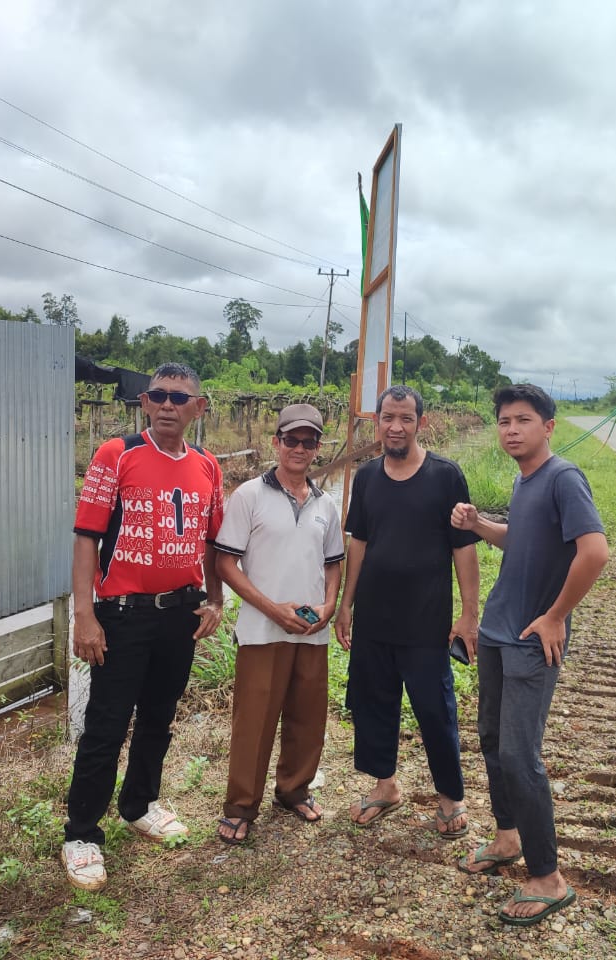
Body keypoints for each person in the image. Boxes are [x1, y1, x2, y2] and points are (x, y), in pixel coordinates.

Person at [61, 362, 227, 891]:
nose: (168, 406)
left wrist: (215, 599)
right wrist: (84, 613)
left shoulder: (208, 466)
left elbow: (211, 542)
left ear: (198, 408)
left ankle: (139, 804)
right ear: (144, 402)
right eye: (159, 396)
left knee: (159, 716)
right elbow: (87, 537)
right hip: (124, 615)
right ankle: (82, 832)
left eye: (180, 398)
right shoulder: (117, 455)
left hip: (179, 613)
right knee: (107, 724)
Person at [451, 383, 609, 926]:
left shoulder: (563, 478)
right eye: (503, 421)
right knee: (493, 742)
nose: (511, 429)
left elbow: (595, 551)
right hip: (498, 633)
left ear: (549, 427)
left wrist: (557, 614)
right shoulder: (526, 482)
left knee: (522, 756)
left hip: (529, 642)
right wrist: (478, 526)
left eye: (522, 419)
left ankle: (548, 879)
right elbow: (522, 541)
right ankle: (506, 837)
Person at [335, 385, 480, 838]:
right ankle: (385, 787)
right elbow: (358, 542)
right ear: (376, 422)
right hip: (375, 618)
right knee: (374, 705)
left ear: (421, 422)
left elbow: (464, 548)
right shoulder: (367, 478)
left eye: (406, 418)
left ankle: (450, 797)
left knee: (435, 710)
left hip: (425, 621)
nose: (396, 426)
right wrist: (346, 605)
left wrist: (469, 614)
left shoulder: (445, 476)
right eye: (388, 418)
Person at [212, 403, 344, 844]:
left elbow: (332, 564)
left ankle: (294, 789)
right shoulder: (249, 495)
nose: (299, 448)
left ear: (318, 448)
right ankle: (240, 805)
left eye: (309, 442)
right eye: (292, 439)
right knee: (255, 717)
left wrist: (328, 605)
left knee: (308, 716)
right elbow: (225, 563)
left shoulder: (327, 503)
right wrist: (272, 608)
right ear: (277, 442)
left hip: (311, 629)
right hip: (263, 629)